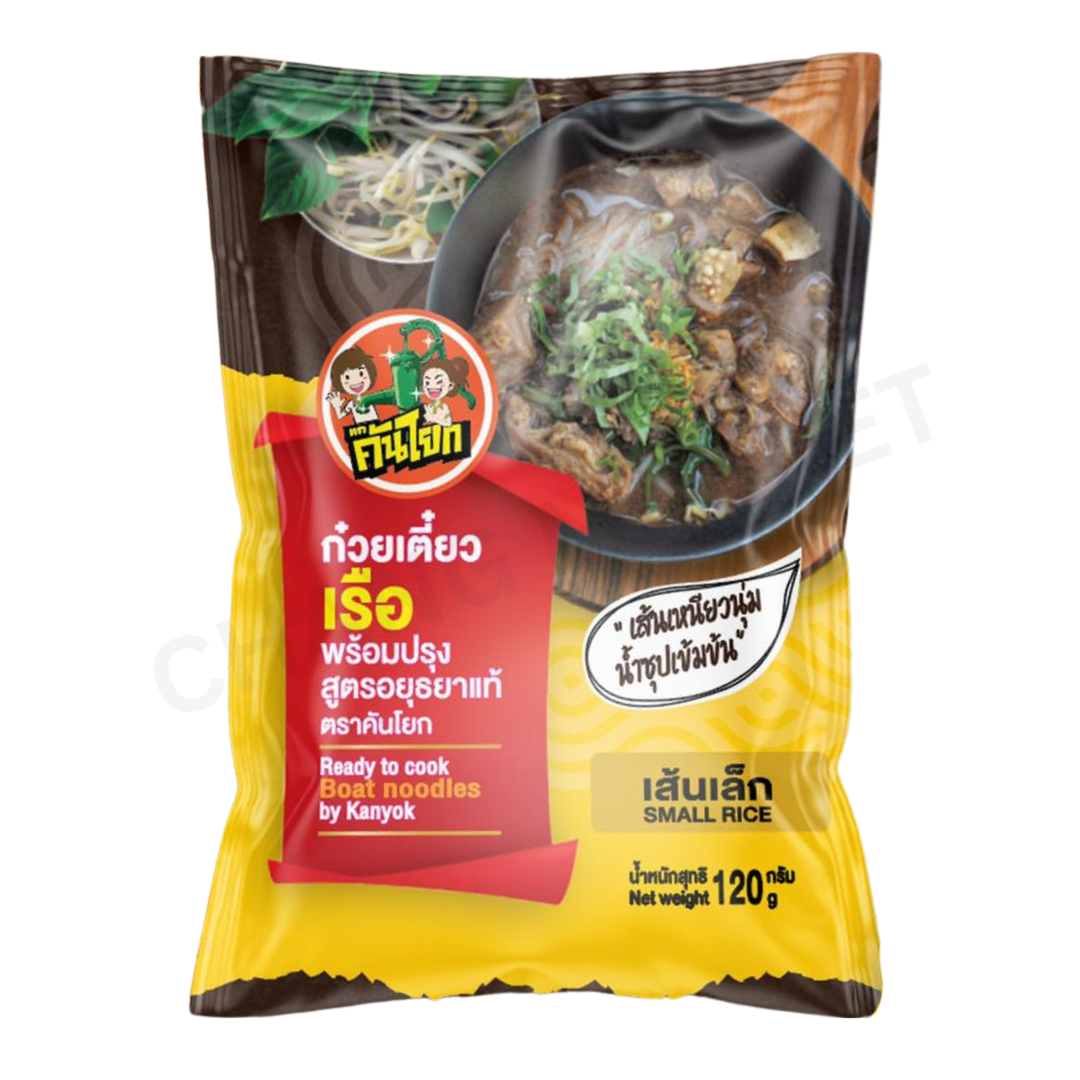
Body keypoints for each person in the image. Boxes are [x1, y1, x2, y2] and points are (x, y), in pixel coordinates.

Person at [326, 347, 380, 424]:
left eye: (361, 373)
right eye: (347, 377)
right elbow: (340, 416)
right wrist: (337, 407)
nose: (356, 381)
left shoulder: (370, 399)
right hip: (360, 429)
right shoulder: (351, 404)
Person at [421, 355, 470, 427]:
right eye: (427, 382)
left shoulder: (444, 407)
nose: (432, 386)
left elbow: (448, 423)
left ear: (450, 385)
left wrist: (434, 419)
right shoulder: (429, 406)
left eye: (439, 382)